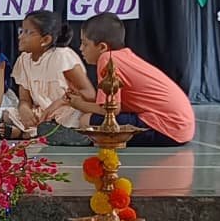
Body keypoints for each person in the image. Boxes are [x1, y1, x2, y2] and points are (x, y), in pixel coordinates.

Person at [68, 12, 196, 146]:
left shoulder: (107, 59)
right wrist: (84, 101)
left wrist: (78, 104)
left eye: (85, 44)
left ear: (102, 47)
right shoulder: (123, 56)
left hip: (167, 129)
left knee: (86, 121)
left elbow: (110, 110)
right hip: (180, 127)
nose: (81, 48)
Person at [0, 10, 95, 145]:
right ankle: (39, 133)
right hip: (42, 114)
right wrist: (24, 110)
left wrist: (60, 103)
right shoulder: (23, 60)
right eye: (21, 31)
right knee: (7, 115)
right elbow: (24, 99)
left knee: (79, 118)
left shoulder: (62, 56)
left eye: (27, 32)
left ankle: (30, 133)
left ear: (45, 40)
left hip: (66, 111)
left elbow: (89, 94)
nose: (20, 37)